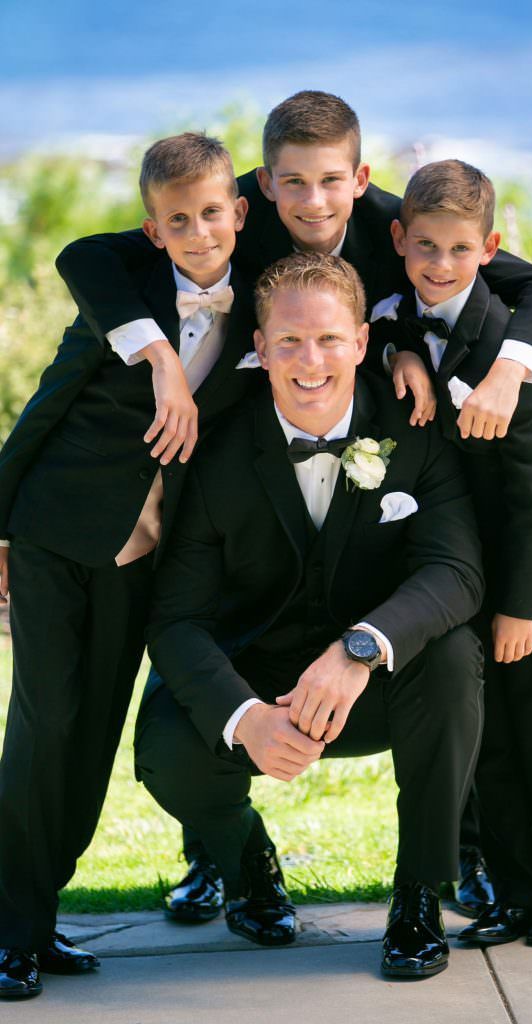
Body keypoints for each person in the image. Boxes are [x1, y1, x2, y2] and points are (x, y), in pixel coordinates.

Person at [55, 90, 532, 917]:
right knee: (178, 715)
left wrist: (433, 352)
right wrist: (158, 358)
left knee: (453, 658)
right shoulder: (231, 222)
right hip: (231, 450)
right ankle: (225, 857)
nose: (313, 201)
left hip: (390, 446)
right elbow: (91, 258)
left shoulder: (396, 225)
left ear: (360, 179)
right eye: (292, 183)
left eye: (331, 181)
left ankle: (446, 866)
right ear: (262, 185)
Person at [135, 250, 485, 979]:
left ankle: (420, 891)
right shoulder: (217, 453)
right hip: (261, 680)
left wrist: (361, 648)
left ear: (361, 342)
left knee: (452, 660)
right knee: (167, 733)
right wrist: (245, 716)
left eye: (329, 339)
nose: (310, 359)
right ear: (259, 349)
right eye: (288, 341)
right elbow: (175, 621)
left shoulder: (417, 430)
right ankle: (246, 862)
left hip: (375, 689)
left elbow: (455, 572)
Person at [0, 132, 263, 1000]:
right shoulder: (122, 287)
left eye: (212, 213)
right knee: (44, 725)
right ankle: (8, 930)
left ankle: (38, 920)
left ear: (240, 212)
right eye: (178, 220)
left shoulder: (255, 298)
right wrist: (159, 359)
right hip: (53, 532)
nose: (198, 233)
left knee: (94, 735)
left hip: (141, 556)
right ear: (153, 230)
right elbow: (43, 405)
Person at [370, 158, 532, 947]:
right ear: (399, 240)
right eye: (425, 246)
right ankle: (511, 888)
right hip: (460, 561)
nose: (440, 265)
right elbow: (383, 322)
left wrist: (519, 608)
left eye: (459, 251)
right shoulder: (395, 315)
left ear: (490, 247)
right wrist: (398, 347)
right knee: (490, 735)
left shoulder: (513, 350)